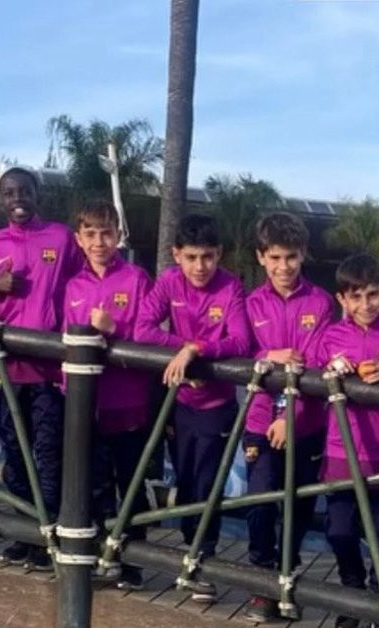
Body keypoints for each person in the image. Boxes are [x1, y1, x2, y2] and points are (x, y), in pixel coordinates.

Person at [135, 213, 250, 603]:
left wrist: (197, 350)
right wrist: (182, 349)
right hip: (177, 402)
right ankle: (189, 555)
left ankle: (204, 560)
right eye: (192, 257)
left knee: (207, 484)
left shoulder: (231, 285)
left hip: (216, 404)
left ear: (219, 254)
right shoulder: (169, 281)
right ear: (176, 255)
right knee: (185, 481)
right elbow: (143, 329)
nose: (200, 266)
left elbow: (241, 341)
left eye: (208, 257)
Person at [0, 167, 82, 569]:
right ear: (0, 200)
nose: (17, 198)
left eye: (24, 190)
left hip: (51, 367)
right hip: (8, 368)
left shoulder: (61, 238)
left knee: (49, 453)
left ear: (38, 194)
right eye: (8, 192)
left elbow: (83, 288)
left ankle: (47, 535)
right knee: (15, 451)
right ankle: (24, 531)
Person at [240, 212, 334, 622]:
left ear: (304, 254)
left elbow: (315, 362)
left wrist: (290, 417)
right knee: (260, 503)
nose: (284, 266)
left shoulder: (321, 302)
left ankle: (286, 578)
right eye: (275, 257)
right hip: (259, 423)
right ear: (261, 257)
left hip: (305, 423)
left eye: (291, 257)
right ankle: (262, 584)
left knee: (298, 507)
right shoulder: (250, 303)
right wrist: (268, 355)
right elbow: (239, 351)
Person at [314, 253, 379, 628]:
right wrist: (331, 370)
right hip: (339, 450)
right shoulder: (330, 336)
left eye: (372, 294)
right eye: (355, 296)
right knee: (339, 530)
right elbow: (314, 372)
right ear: (341, 299)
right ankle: (352, 591)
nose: (365, 304)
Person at [61, 200, 152, 590]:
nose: (99, 242)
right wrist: (68, 394)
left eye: (107, 233)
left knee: (131, 484)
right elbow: (66, 341)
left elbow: (149, 336)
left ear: (118, 236)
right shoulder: (73, 286)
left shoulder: (136, 278)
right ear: (79, 239)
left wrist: (114, 328)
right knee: (92, 484)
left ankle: (134, 561)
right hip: (86, 405)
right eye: (91, 234)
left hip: (129, 401)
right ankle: (99, 556)